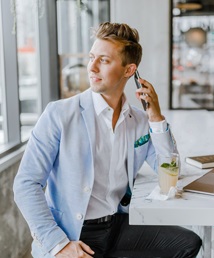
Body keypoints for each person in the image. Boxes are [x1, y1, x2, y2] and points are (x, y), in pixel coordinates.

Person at [13, 22, 202, 258]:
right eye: (92, 57)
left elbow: (170, 174)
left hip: (116, 224)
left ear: (129, 70)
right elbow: (26, 184)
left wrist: (156, 117)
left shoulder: (140, 120)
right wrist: (58, 244)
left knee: (188, 243)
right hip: (75, 233)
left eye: (103, 60)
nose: (91, 67)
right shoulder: (59, 114)